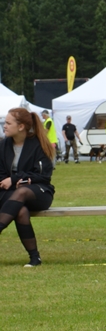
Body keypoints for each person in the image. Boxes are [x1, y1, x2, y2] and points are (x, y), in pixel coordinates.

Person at [0, 108, 55, 266]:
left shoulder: (39, 145)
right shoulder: (3, 145)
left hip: (39, 192)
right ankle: (35, 258)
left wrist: (15, 178)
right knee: (21, 211)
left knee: (22, 191)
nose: (4, 126)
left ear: (21, 127)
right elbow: (1, 175)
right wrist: (11, 182)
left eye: (8, 123)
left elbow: (44, 176)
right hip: (9, 192)